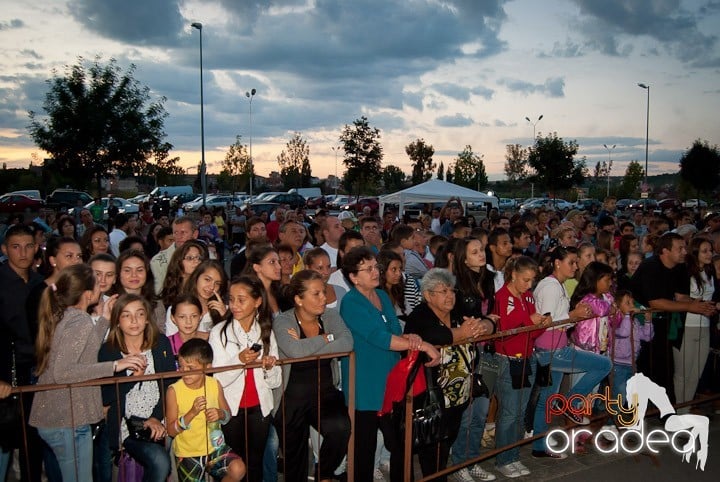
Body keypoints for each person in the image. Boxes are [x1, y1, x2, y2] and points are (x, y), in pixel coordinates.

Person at [29, 266, 145, 482]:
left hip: (59, 417)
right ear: (87, 293)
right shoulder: (79, 321)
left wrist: (103, 320)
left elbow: (84, 351)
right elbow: (63, 372)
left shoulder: (69, 316)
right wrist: (115, 365)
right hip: (67, 419)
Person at [339, 246, 440, 482]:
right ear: (353, 277)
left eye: (376, 267)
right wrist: (423, 346)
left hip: (390, 381)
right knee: (364, 448)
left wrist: (412, 339)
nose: (376, 272)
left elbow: (395, 331)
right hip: (365, 385)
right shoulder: (351, 303)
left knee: (400, 444)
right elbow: (380, 338)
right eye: (368, 269)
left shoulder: (383, 295)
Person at [404, 268, 494, 482]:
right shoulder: (420, 316)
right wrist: (462, 333)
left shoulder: (457, 311)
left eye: (451, 290)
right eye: (443, 291)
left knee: (447, 441)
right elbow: (433, 335)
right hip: (432, 397)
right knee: (433, 446)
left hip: (459, 393)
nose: (450, 295)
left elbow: (487, 322)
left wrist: (483, 325)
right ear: (428, 295)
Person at [272, 271, 353, 482]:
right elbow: (294, 351)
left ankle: (323, 475)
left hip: (325, 393)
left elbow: (347, 342)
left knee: (341, 429)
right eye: (316, 294)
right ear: (298, 299)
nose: (324, 298)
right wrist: (326, 339)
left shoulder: (330, 316)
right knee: (295, 462)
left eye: (323, 292)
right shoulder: (283, 321)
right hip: (291, 399)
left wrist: (318, 341)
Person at [531, 248, 612, 456]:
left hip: (554, 346)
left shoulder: (556, 285)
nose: (576, 266)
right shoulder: (550, 286)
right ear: (558, 263)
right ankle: (571, 402)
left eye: (576, 262)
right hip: (552, 349)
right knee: (604, 364)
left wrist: (571, 316)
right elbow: (547, 323)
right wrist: (573, 315)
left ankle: (540, 446)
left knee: (547, 399)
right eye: (572, 262)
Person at [208, 275, 281, 482]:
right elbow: (218, 379)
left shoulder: (266, 331)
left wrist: (268, 367)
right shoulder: (219, 332)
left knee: (255, 462)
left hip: (260, 407)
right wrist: (239, 360)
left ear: (257, 301)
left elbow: (275, 382)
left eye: (241, 300)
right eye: (231, 299)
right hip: (231, 408)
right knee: (236, 464)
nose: (234, 305)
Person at [99, 293, 176, 482]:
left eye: (140, 314)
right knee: (159, 460)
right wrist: (132, 378)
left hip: (159, 418)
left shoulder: (161, 344)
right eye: (126, 315)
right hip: (126, 425)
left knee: (160, 460)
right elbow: (106, 397)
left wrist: (156, 417)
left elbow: (169, 386)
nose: (134, 321)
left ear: (147, 319)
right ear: (117, 321)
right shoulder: (108, 351)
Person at [492, 256, 551, 478]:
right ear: (513, 275)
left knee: (519, 412)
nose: (529, 285)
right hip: (507, 360)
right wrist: (530, 322)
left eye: (532, 281)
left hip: (527, 358)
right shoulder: (501, 297)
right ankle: (503, 459)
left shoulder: (527, 297)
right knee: (508, 413)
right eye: (525, 280)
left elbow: (532, 334)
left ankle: (513, 456)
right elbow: (505, 332)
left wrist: (541, 324)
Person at [448, 237, 498, 482]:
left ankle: (473, 459)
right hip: (463, 355)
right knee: (466, 414)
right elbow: (453, 319)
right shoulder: (456, 284)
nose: (481, 254)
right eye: (475, 251)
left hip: (484, 351)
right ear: (463, 257)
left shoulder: (488, 280)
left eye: (482, 250)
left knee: (480, 410)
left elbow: (493, 316)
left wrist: (488, 322)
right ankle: (459, 464)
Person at [166, 339, 246, 482]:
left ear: (207, 368)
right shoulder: (174, 390)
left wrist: (220, 413)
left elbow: (227, 415)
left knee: (238, 468)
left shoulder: (214, 384)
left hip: (215, 448)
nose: (185, 372)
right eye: (181, 366)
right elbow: (171, 431)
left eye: (190, 368)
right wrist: (191, 413)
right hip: (188, 453)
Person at [674, 236, 714, 404]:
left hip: (704, 326)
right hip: (687, 325)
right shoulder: (684, 272)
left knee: (696, 372)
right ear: (695, 253)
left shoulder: (709, 272)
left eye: (710, 250)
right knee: (683, 373)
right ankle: (680, 409)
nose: (709, 254)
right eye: (705, 251)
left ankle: (686, 408)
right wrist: (702, 305)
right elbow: (679, 298)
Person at [167, 259, 228, 336]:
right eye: (207, 280)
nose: (212, 287)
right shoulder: (177, 308)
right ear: (196, 277)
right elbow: (172, 342)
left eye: (217, 283)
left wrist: (225, 317)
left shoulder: (225, 310)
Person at [115, 249, 167, 332]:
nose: (134, 275)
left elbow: (161, 334)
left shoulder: (156, 303)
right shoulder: (111, 303)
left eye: (139, 270)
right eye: (127, 270)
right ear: (118, 274)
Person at [160, 239, 209, 310]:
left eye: (199, 258)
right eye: (190, 258)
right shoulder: (170, 290)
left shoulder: (206, 288)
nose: (196, 261)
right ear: (178, 262)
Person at [243, 244, 290, 316]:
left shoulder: (278, 292)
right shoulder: (250, 295)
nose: (279, 267)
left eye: (278, 262)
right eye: (272, 262)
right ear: (257, 267)